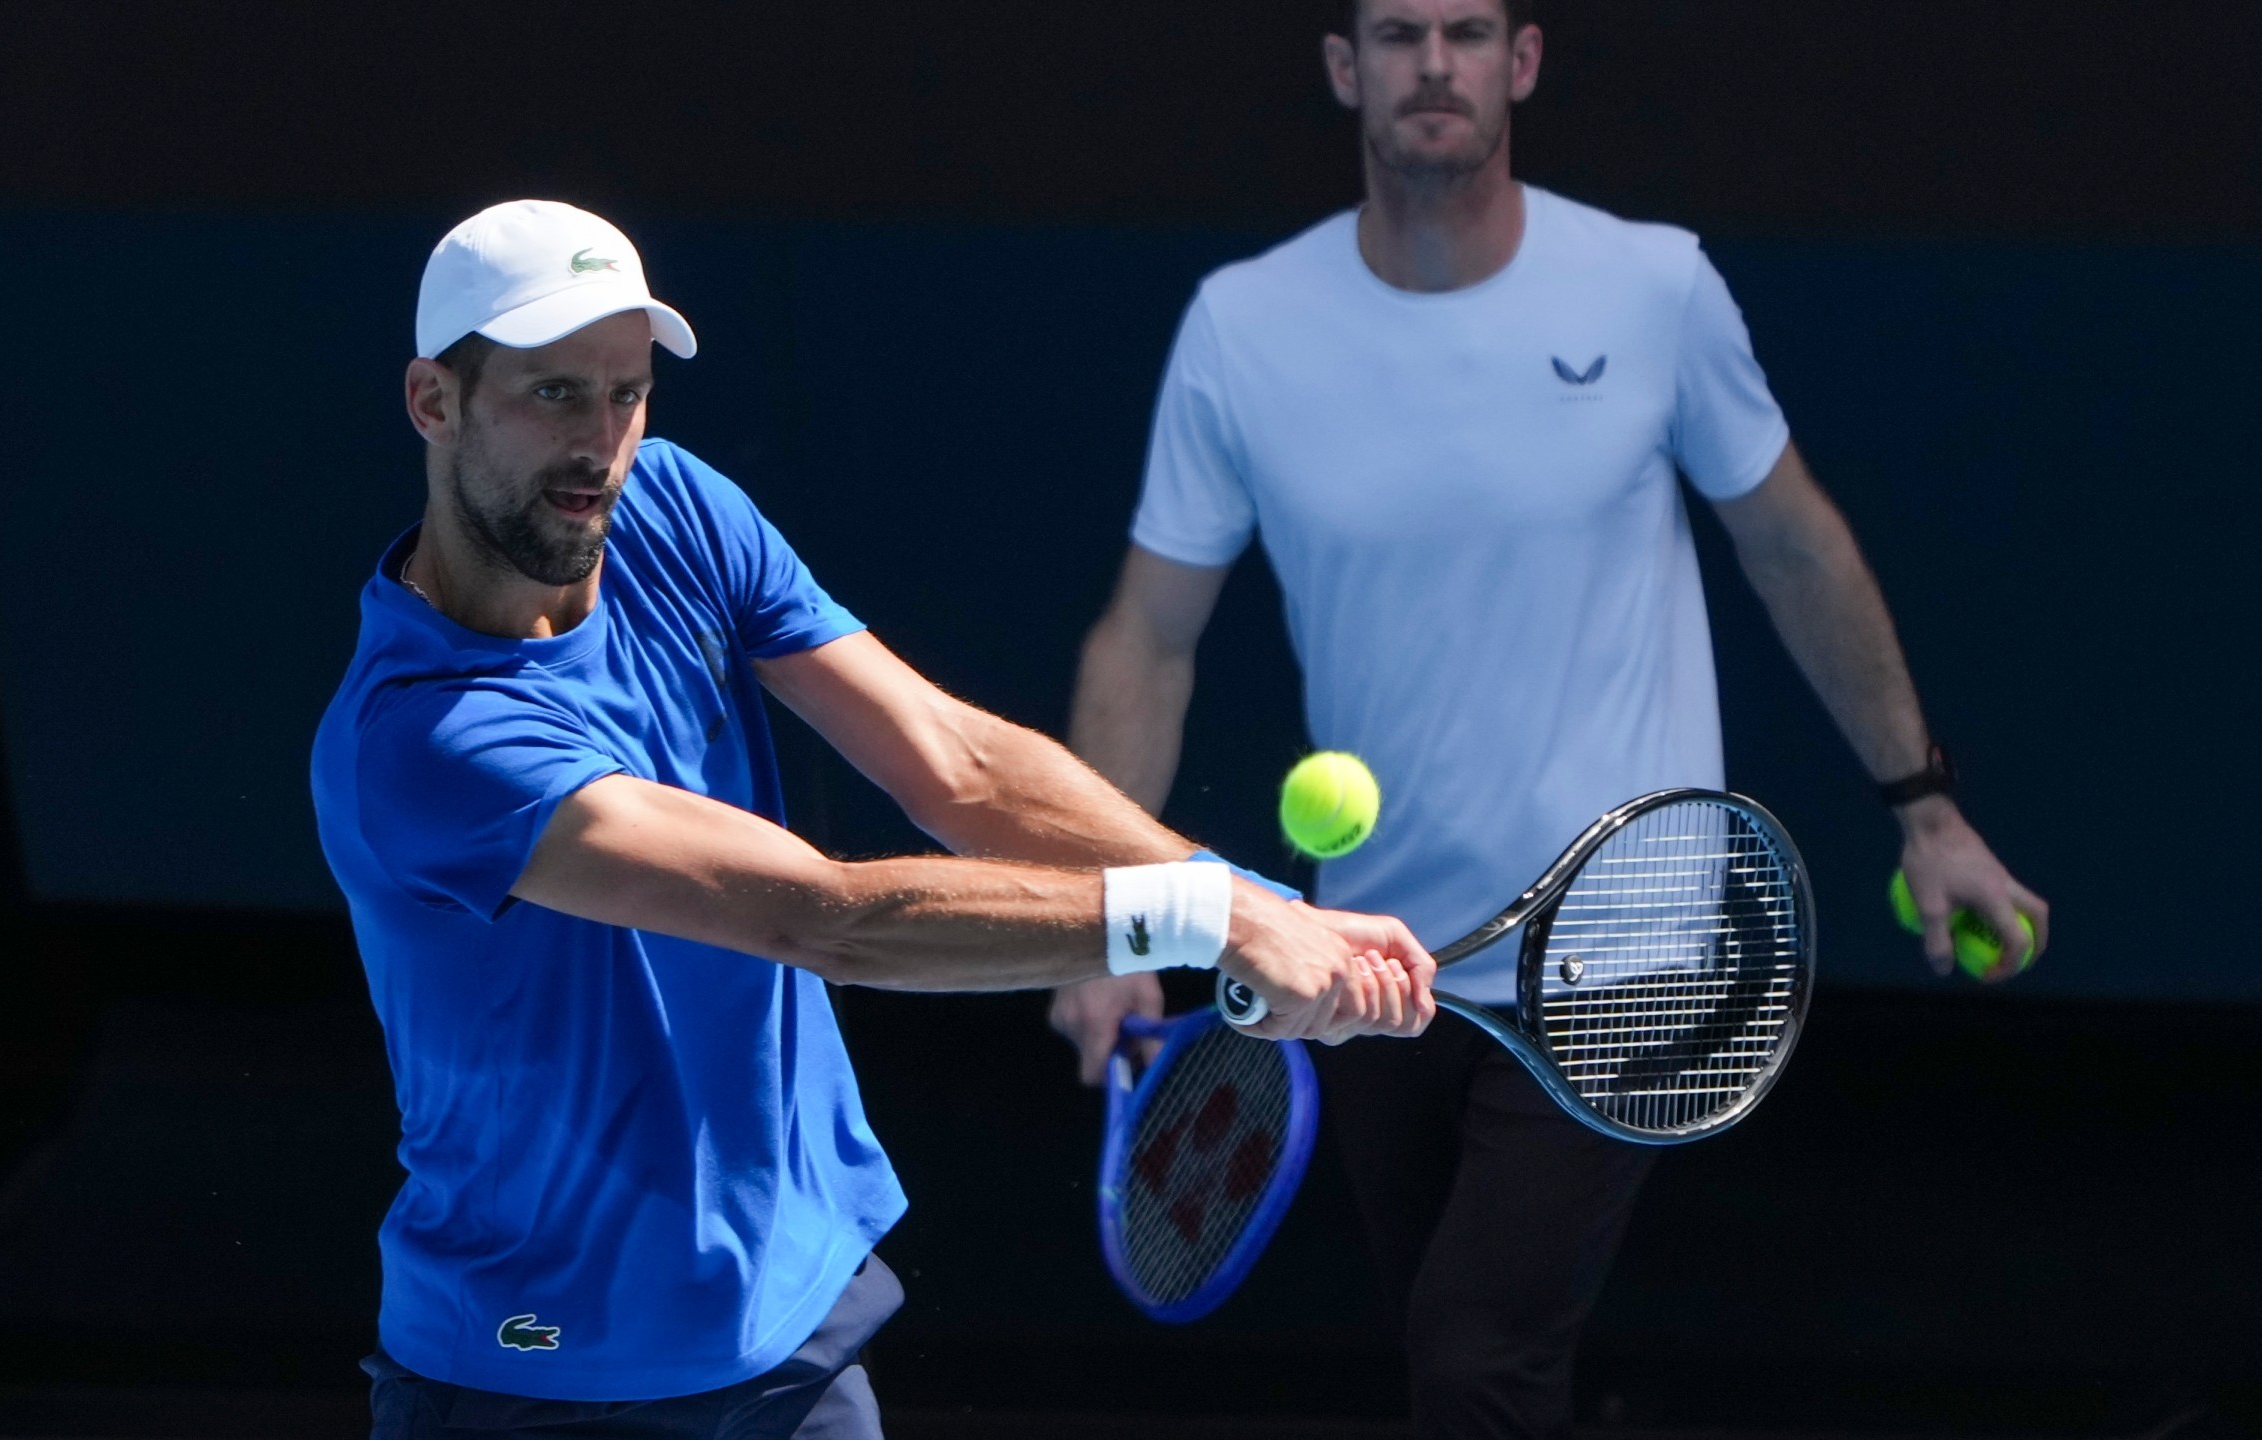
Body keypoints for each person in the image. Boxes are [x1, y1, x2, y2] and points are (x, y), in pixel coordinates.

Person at [1047, 3, 2053, 1437]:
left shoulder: (1655, 291)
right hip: (1378, 964)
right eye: (1398, 36)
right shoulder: (1245, 326)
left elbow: (1794, 547)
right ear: (1348, 72)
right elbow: (1148, 638)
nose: (1434, 65)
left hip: (1625, 955)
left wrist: (1925, 806)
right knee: (1461, 1357)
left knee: (1475, 1362)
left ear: (1521, 64)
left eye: (1467, 33)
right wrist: (1113, 921)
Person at [309, 199, 1438, 1440]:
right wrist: (1204, 914)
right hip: (533, 1374)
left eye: (626, 394)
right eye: (553, 395)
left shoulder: (671, 511)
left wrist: (1260, 906)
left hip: (790, 1339)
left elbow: (955, 765)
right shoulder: (423, 740)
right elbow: (820, 918)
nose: (600, 445)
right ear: (433, 401)